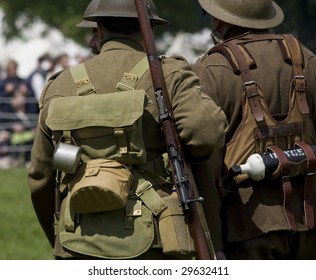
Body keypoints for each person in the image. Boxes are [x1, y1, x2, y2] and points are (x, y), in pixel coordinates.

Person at [28, 0, 227, 260]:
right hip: (157, 239)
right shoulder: (169, 74)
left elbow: (40, 178)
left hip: (76, 237)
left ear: (98, 30)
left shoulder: (60, 85)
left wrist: (58, 237)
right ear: (150, 29)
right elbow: (207, 135)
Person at [193, 0, 316, 260]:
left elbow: (206, 164)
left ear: (220, 20)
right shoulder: (304, 57)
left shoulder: (211, 70)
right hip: (310, 217)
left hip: (247, 226)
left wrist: (211, 240)